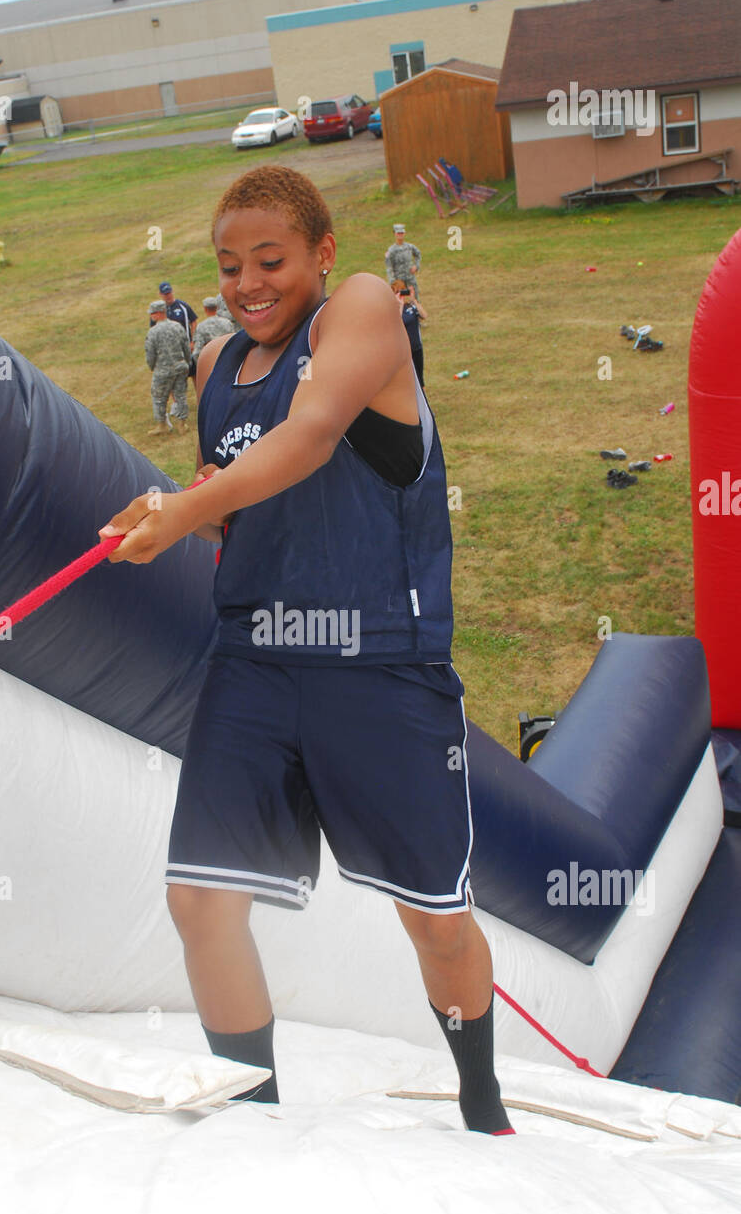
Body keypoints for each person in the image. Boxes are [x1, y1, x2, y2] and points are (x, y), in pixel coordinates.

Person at [100, 166, 512, 1136]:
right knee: (200, 900)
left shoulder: (361, 310)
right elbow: (250, 504)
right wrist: (198, 512)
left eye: (271, 260)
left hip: (380, 663)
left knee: (437, 926)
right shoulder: (212, 369)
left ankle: (485, 1106)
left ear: (322, 255)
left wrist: (190, 503)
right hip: (253, 659)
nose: (247, 283)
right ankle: (254, 1121)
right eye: (229, 265)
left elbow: (316, 431)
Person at [144, 300, 191, 434]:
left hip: (163, 370)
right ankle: (182, 425)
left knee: (158, 397)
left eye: (152, 313)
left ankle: (162, 425)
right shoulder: (177, 326)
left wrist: (152, 367)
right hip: (180, 367)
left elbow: (150, 353)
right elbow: (186, 347)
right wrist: (187, 362)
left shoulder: (153, 332)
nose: (151, 316)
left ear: (158, 313)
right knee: (181, 395)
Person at [392, 278, 427, 387]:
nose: (399, 294)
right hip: (404, 351)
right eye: (396, 292)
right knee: (408, 382)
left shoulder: (411, 306)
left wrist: (414, 300)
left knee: (420, 380)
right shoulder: (393, 309)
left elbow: (424, 315)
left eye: (401, 291)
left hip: (416, 347)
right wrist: (400, 304)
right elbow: (397, 323)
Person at [385, 223, 421, 301]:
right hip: (399, 282)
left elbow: (418, 254)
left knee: (415, 301)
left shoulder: (409, 247)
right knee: (400, 302)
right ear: (394, 234)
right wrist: (393, 282)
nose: (400, 235)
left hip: (410, 280)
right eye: (398, 233)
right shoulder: (391, 251)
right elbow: (389, 267)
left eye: (402, 233)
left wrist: (416, 266)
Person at [192, 296, 233, 362]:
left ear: (205, 309)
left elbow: (197, 352)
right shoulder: (227, 323)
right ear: (217, 307)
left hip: (210, 362)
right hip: (227, 360)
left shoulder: (201, 326)